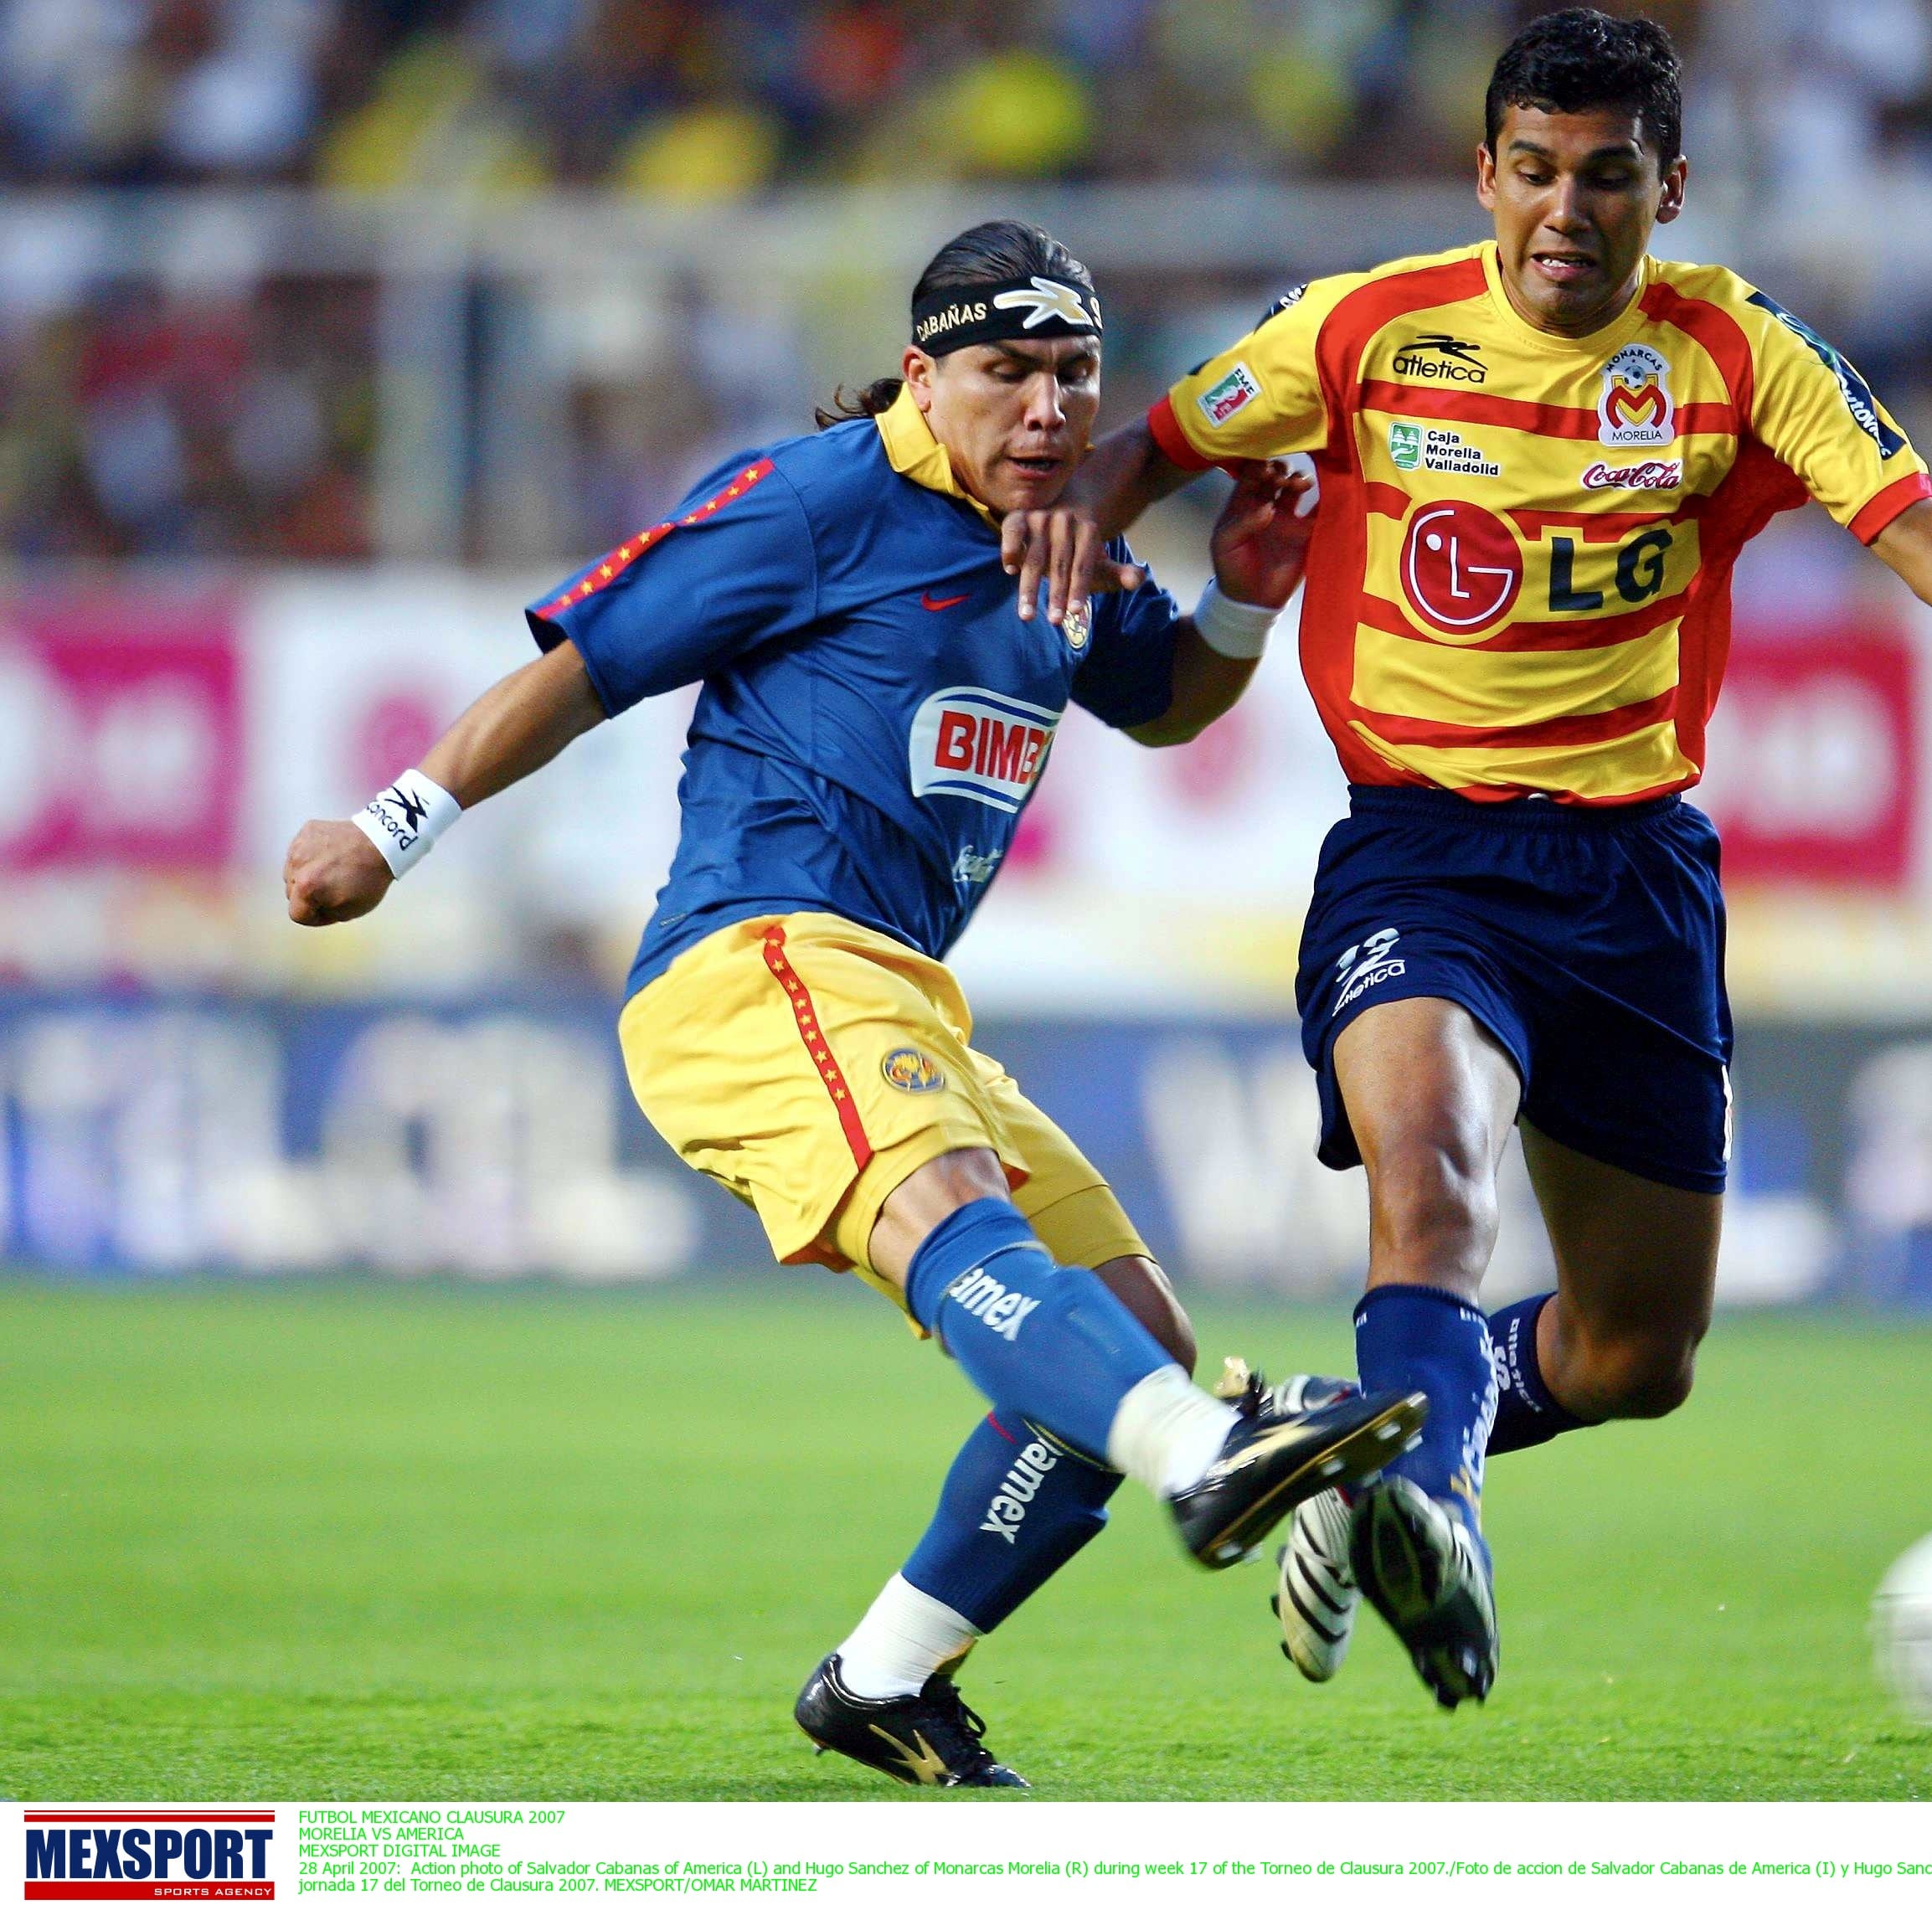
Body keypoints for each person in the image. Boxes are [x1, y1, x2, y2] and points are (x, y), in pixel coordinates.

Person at [1007, 10, 1932, 1710]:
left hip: (1633, 880)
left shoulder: (1735, 353)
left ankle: (1362, 1446)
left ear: (1668, 188)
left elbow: (1912, 527)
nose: (1567, 209)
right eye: (1535, 171)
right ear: (1484, 174)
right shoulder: (1363, 329)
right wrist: (1069, 524)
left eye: (1608, 177)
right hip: (1421, 853)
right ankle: (1428, 1499)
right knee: (1432, 1173)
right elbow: (1161, 443)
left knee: (1635, 1353)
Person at [281, 219, 1425, 1786]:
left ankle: (885, 1676)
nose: (1047, 408)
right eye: (1006, 370)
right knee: (976, 1234)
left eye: (1075, 374)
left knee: (1133, 1328)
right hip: (755, 962)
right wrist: (389, 828)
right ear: (920, 375)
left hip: (899, 993)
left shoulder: (1065, 539)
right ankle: (1204, 1456)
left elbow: (1161, 705)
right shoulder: (816, 501)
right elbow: (587, 664)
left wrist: (1236, 602)